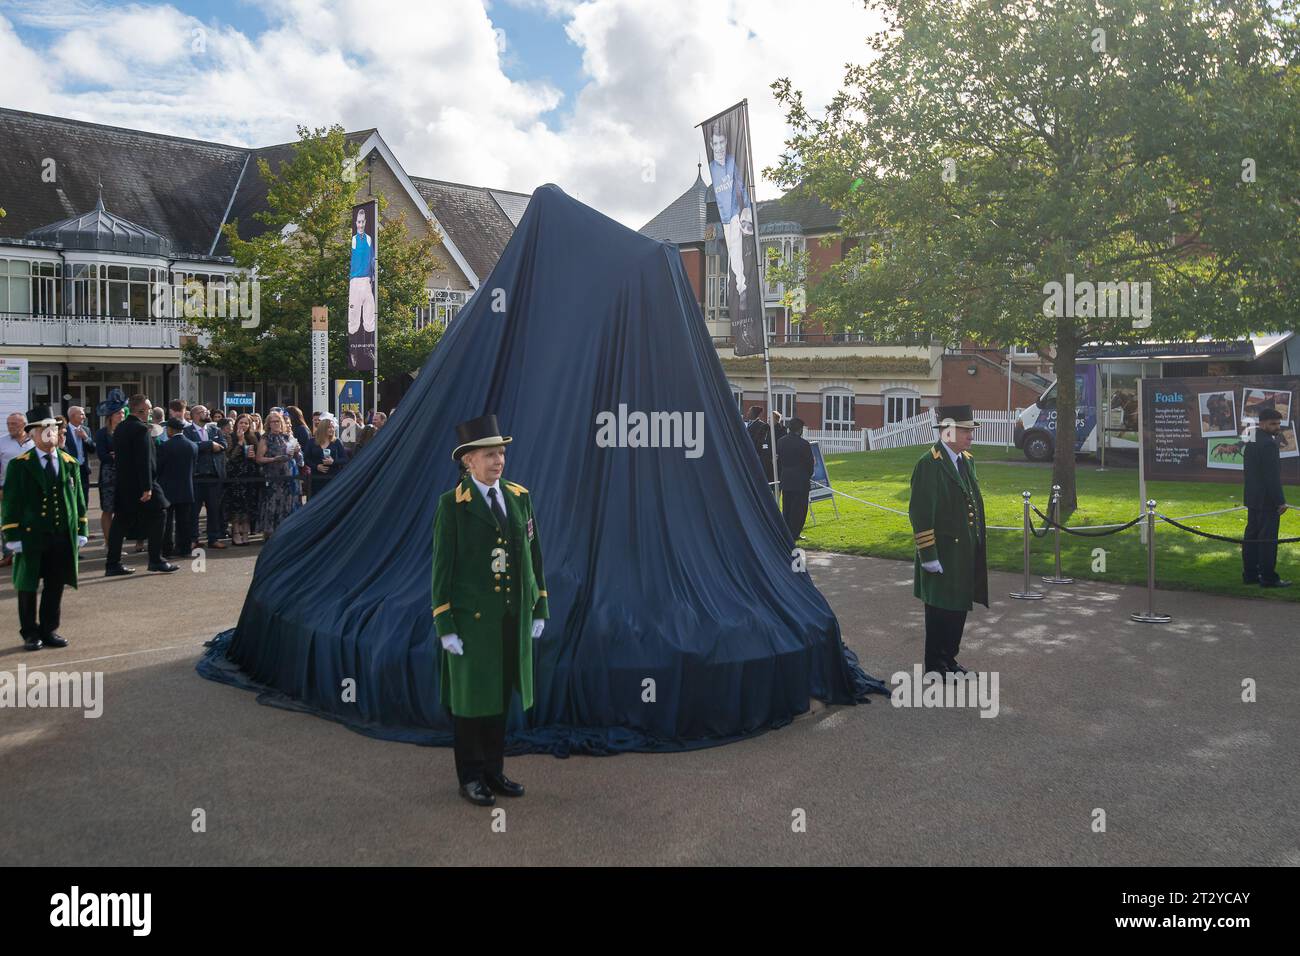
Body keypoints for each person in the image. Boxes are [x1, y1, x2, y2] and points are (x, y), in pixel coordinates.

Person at [432, 414, 549, 807]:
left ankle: (493, 771)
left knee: (498, 700)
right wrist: (445, 623)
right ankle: (470, 777)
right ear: (469, 461)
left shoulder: (519, 497)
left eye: (501, 453)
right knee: (471, 703)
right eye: (489, 454)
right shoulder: (453, 506)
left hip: (509, 619)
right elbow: (441, 570)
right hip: (471, 624)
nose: (498, 461)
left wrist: (539, 606)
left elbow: (534, 554)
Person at [909, 404, 988, 676]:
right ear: (948, 432)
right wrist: (928, 557)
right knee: (940, 610)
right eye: (965, 430)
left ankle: (950, 659)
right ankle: (935, 664)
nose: (971, 435)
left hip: (963, 552)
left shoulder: (966, 460)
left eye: (970, 430)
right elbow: (920, 515)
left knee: (958, 607)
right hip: (942, 553)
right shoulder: (928, 464)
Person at [1, 406, 88, 650]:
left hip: (61, 535)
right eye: (45, 430)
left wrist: (81, 529)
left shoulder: (69, 462)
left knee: (55, 583)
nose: (51, 434)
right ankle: (30, 632)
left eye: (54, 429)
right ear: (33, 434)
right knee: (28, 585)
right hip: (31, 536)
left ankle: (49, 629)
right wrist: (12, 534)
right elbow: (11, 502)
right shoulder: (21, 465)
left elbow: (79, 499)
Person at [105, 394, 178, 576]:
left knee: (120, 521)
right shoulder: (140, 429)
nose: (151, 412)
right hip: (141, 483)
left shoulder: (121, 427)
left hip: (124, 483)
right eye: (149, 408)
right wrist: (147, 487)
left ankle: (113, 563)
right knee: (160, 512)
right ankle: (155, 559)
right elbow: (144, 460)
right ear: (142, 410)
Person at [1243, 408, 1290, 588]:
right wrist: (1280, 501)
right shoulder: (1269, 444)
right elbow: (1272, 477)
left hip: (1252, 497)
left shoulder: (1252, 440)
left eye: (1278, 423)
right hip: (1266, 500)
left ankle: (1250, 574)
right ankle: (1269, 578)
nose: (1277, 427)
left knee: (1251, 538)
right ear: (1262, 423)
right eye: (1273, 423)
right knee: (1267, 541)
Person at [185, 405, 228, 550]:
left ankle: (213, 538)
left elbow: (224, 445)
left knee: (214, 509)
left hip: (213, 476)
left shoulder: (214, 429)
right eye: (203, 412)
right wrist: (209, 444)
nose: (207, 414)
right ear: (195, 415)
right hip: (196, 477)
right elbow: (190, 446)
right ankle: (192, 538)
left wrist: (216, 445)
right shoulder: (187, 431)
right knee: (194, 511)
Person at [257, 410, 301, 540]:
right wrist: (274, 459)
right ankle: (270, 535)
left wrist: (297, 451)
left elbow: (297, 457)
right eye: (273, 421)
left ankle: (286, 533)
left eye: (278, 421)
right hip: (273, 477)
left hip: (289, 476)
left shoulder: (288, 437)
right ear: (268, 424)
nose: (276, 424)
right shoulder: (265, 438)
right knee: (273, 505)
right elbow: (259, 459)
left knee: (288, 504)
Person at [157, 418, 198, 559]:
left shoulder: (164, 446)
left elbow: (159, 468)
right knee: (184, 521)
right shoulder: (193, 446)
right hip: (186, 487)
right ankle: (185, 548)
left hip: (167, 488)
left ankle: (167, 549)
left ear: (170, 429)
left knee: (167, 522)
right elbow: (194, 467)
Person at [0, 411, 34, 568]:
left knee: (30, 520)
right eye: (8, 424)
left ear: (24, 425)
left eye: (14, 424)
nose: (10, 427)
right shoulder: (2, 442)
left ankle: (28, 551)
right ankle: (8, 554)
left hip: (32, 488)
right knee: (7, 521)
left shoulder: (35, 441)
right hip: (7, 488)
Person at [94, 392, 127, 546]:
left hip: (123, 473)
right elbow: (101, 455)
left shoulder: (126, 431)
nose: (121, 415)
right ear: (111, 416)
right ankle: (109, 542)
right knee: (108, 510)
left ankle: (118, 542)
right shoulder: (102, 433)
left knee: (122, 510)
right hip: (108, 474)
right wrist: (114, 456)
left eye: (122, 412)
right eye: (118, 413)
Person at [224, 414, 262, 545]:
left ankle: (245, 533)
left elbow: (260, 457)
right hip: (235, 475)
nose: (244, 425)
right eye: (241, 423)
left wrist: (253, 457)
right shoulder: (230, 437)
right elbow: (229, 458)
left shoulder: (255, 437)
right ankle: (235, 533)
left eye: (246, 423)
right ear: (236, 424)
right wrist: (240, 442)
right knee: (236, 506)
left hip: (250, 475)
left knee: (248, 505)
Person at [777, 416, 814, 538]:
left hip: (786, 477)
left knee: (787, 507)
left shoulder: (781, 441)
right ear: (800, 430)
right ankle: (795, 533)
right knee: (799, 509)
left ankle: (787, 532)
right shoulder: (804, 444)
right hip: (800, 480)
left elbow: (780, 460)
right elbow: (809, 463)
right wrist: (808, 475)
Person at [303, 418, 349, 500]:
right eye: (329, 427)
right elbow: (306, 459)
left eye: (332, 427)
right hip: (316, 478)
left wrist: (333, 462)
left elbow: (345, 459)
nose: (332, 429)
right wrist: (316, 466)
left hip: (332, 478)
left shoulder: (337, 442)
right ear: (322, 428)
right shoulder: (311, 442)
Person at [63, 405, 95, 510]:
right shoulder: (64, 431)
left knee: (83, 498)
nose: (84, 416)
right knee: (71, 497)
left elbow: (93, 449)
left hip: (83, 470)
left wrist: (85, 438)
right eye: (81, 414)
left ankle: (83, 520)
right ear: (72, 416)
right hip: (70, 470)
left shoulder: (86, 430)